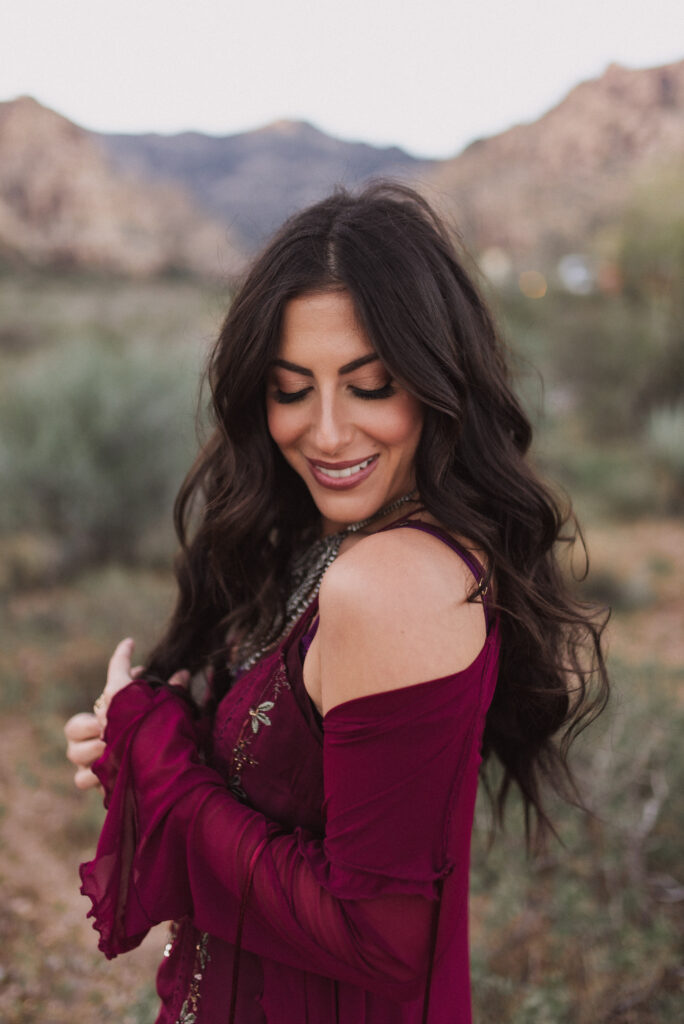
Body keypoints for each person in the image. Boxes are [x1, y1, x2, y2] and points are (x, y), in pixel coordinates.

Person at [64, 182, 608, 1024]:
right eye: (290, 390)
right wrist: (139, 735)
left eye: (370, 384)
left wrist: (154, 748)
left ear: (438, 381)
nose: (324, 432)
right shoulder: (338, 549)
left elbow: (378, 938)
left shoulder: (391, 581)